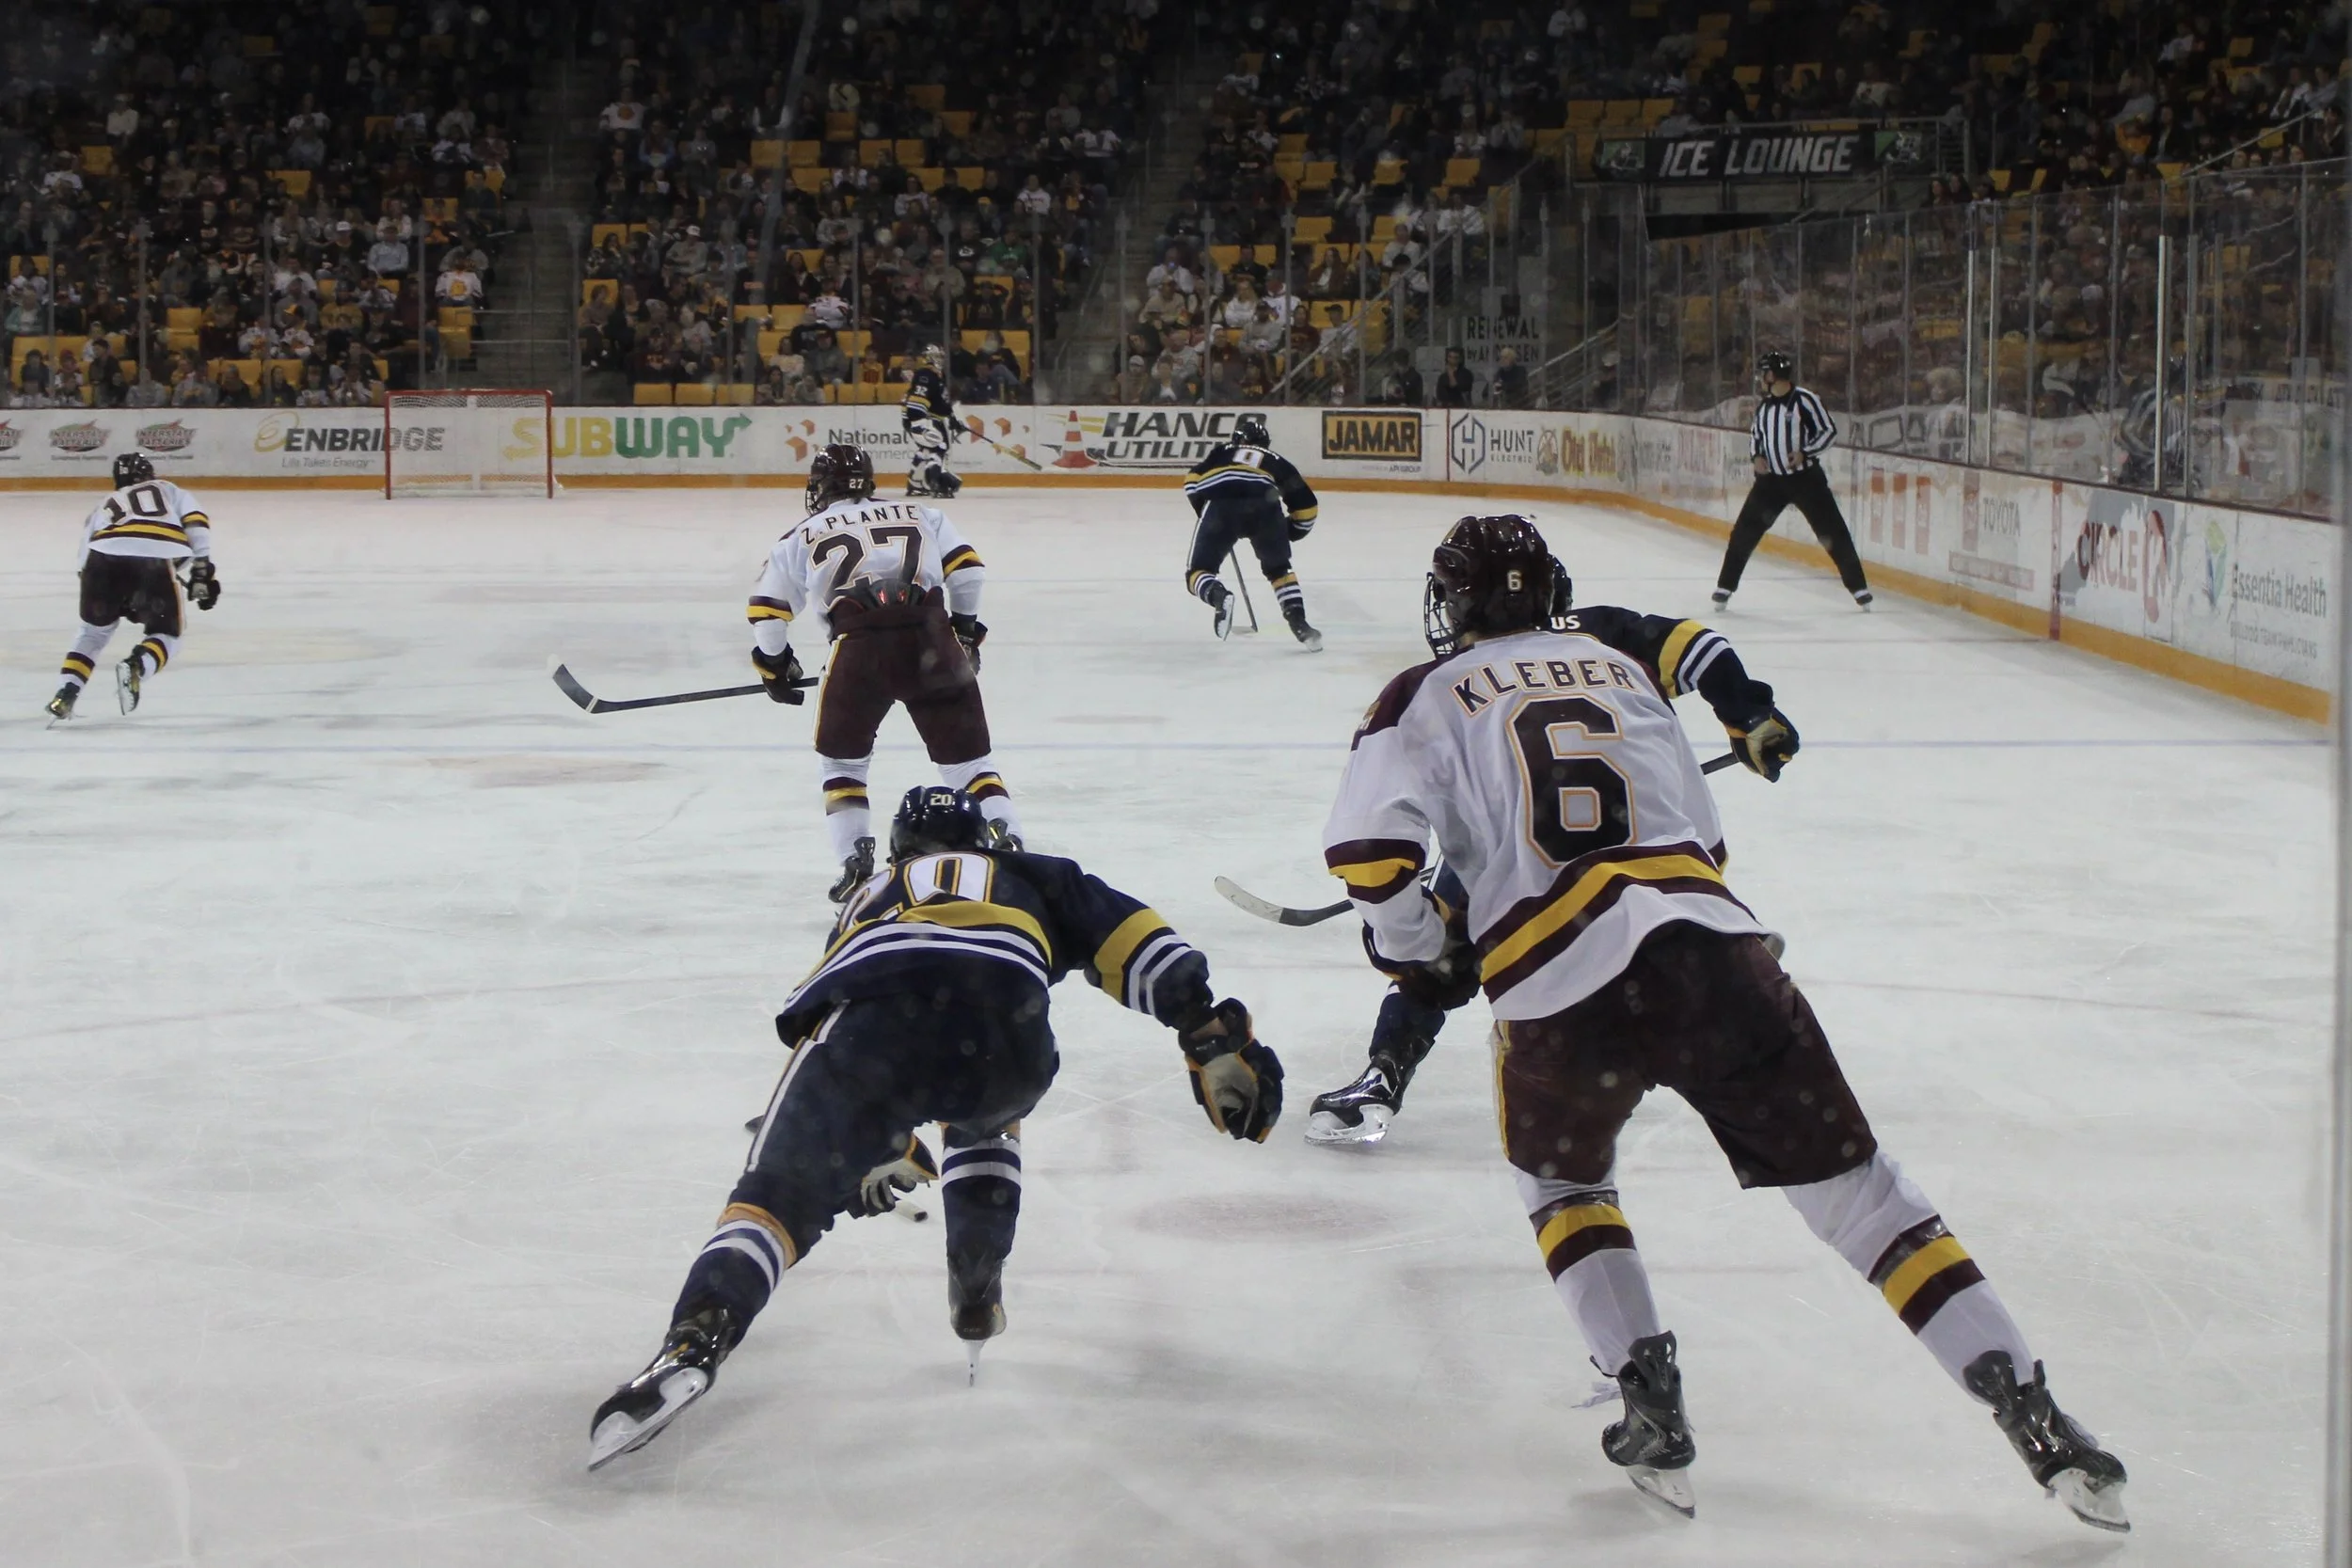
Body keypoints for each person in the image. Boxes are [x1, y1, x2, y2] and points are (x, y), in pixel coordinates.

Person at [1317, 514, 2127, 1530]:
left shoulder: (1421, 693)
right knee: (1867, 1200)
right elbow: (1701, 836)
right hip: (1715, 959)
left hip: (1563, 1000)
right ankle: (2036, 1415)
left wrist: (1417, 943)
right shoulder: (1616, 658)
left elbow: (1369, 853)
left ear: (1454, 603)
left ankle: (1650, 1402)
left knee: (1565, 1184)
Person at [587, 784, 1284, 1469]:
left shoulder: (873, 893)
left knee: (777, 1200)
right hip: (1009, 1030)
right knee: (987, 1115)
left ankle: (696, 1340)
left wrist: (867, 1143)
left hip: (875, 1017)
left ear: (899, 851)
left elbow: (835, 1014)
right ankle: (978, 1273)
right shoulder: (1024, 872)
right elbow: (1132, 935)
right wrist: (1205, 1028)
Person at [1307, 599, 1787, 1145]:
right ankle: (1732, 997)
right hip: (1633, 839)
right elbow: (1699, 646)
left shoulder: (1463, 664)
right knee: (1672, 910)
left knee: (1444, 954)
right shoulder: (1601, 634)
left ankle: (1385, 1071)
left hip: (1524, 845)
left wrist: (1401, 909)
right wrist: (1749, 715)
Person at [748, 443, 1020, 900]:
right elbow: (968, 573)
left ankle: (854, 860)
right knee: (970, 765)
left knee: (842, 765)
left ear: (820, 486)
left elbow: (768, 613)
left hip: (858, 651)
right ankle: (1009, 842)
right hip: (933, 641)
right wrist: (964, 633)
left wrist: (775, 665)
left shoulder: (801, 534)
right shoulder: (921, 513)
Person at [45, 452, 224, 721]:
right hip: (153, 562)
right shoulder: (167, 489)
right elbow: (196, 521)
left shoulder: (105, 503)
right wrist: (202, 570)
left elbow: (84, 561)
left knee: (93, 632)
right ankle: (138, 665)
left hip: (101, 560)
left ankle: (66, 692)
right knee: (168, 635)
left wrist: (109, 595)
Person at [1715, 349, 1872, 610]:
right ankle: (1725, 586)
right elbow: (1756, 436)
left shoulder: (1805, 400)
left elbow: (1828, 432)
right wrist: (1757, 456)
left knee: (1832, 531)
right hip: (1770, 483)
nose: (1760, 378)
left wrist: (1804, 452)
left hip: (1805, 480)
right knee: (1744, 532)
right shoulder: (1765, 406)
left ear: (1774, 375)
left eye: (1764, 373)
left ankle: (1859, 588)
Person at [1180, 412, 1323, 649]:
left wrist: (1204, 509)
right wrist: (1289, 531)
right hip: (1265, 506)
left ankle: (1218, 595)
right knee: (1279, 570)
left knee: (1198, 571)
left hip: (1221, 505)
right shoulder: (1277, 460)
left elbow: (1191, 481)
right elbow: (1307, 506)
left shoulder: (1221, 452)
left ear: (1237, 440)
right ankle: (1301, 625)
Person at [900, 342, 961, 498]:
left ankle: (915, 484)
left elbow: (938, 402)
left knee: (926, 449)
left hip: (927, 419)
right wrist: (917, 423)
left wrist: (952, 417)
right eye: (938, 356)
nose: (941, 359)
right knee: (939, 446)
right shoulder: (925, 375)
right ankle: (936, 482)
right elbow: (918, 403)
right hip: (922, 419)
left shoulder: (937, 376)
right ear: (930, 357)